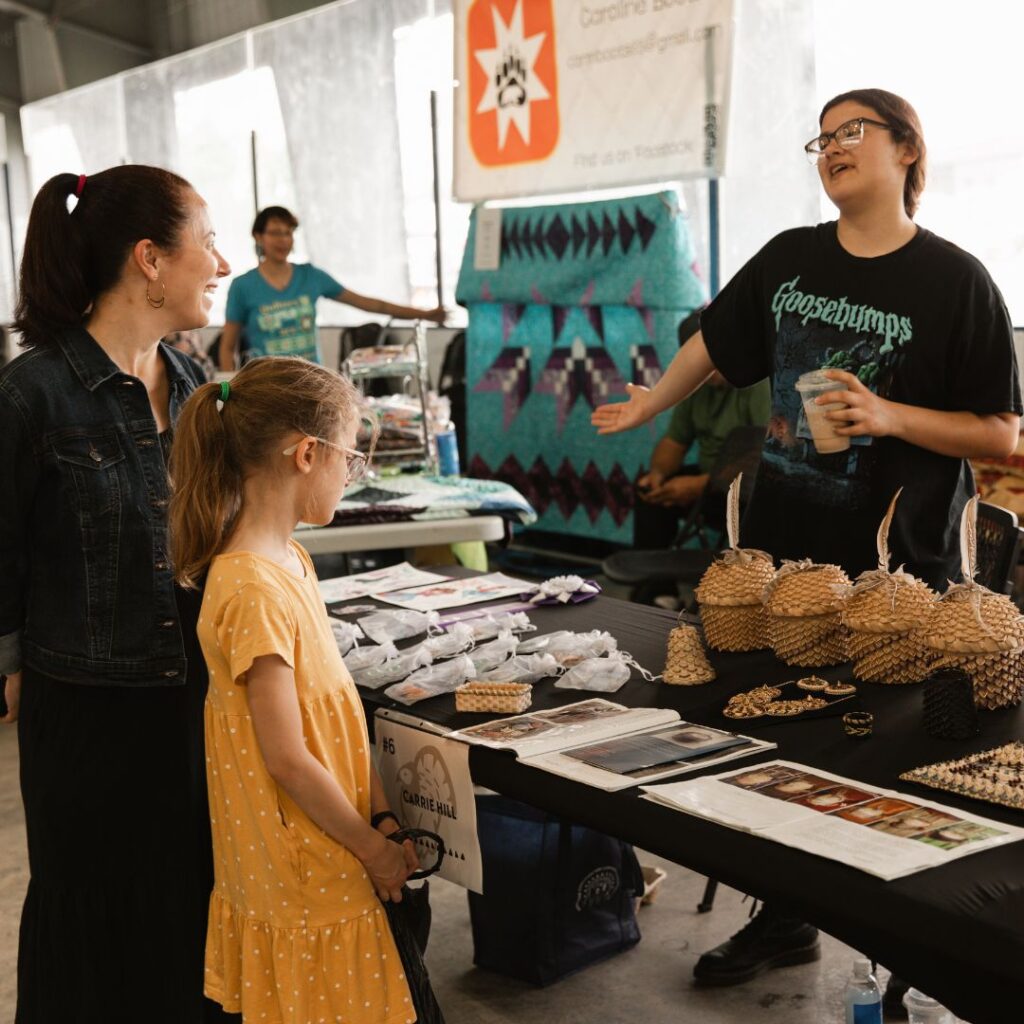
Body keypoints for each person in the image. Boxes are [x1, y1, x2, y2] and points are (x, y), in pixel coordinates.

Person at [593, 88, 1020, 999]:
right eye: (820, 138)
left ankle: (914, 948)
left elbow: (1000, 434)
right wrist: (649, 405)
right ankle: (785, 918)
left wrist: (889, 413)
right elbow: (715, 343)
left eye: (851, 131)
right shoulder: (790, 259)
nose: (831, 147)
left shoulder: (956, 280)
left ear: (907, 149)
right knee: (774, 752)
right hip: (785, 563)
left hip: (899, 571)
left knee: (886, 756)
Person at [0, 165, 236, 1022]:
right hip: (88, 709)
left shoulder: (199, 387)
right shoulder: (33, 393)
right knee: (95, 926)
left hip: (197, 696)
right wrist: (12, 666)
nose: (220, 261)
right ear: (148, 258)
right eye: (206, 240)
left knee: (191, 906)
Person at [169, 357, 434, 1024]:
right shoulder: (252, 586)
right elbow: (287, 757)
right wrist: (372, 850)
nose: (352, 475)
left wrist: (380, 815)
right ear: (307, 454)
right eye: (350, 458)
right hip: (302, 869)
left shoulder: (293, 560)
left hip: (330, 841)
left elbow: (336, 711)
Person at [219, 205, 446, 369]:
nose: (283, 240)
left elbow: (369, 304)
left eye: (288, 233)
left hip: (312, 379)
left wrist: (425, 314)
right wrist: (230, 393)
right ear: (258, 237)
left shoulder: (310, 277)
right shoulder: (243, 286)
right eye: (275, 233)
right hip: (266, 386)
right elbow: (228, 348)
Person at [635, 371, 771, 549]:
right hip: (708, 482)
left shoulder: (758, 386)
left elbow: (764, 453)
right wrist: (657, 473)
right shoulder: (696, 386)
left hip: (744, 490)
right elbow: (674, 442)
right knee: (650, 493)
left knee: (756, 500)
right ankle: (650, 570)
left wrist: (703, 485)